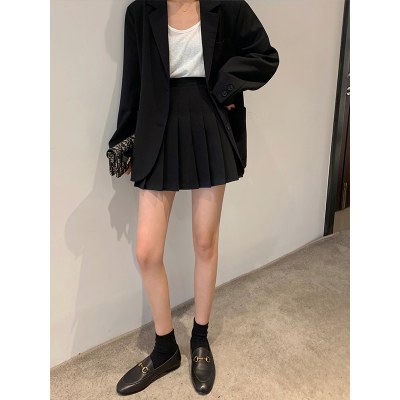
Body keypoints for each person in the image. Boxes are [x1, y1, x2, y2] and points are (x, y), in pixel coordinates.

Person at [110, 0, 279, 395]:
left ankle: (199, 338)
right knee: (147, 251)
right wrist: (125, 140)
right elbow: (133, 83)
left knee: (205, 241)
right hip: (157, 126)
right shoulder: (140, 12)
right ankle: (165, 348)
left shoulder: (227, 5)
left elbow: (264, 55)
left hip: (208, 122)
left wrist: (225, 86)